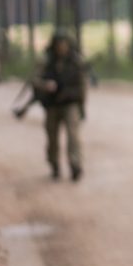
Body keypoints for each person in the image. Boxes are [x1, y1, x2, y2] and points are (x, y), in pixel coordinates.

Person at [33, 31, 87, 181]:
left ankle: (75, 165)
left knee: (73, 136)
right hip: (53, 104)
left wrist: (82, 106)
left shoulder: (76, 62)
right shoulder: (46, 61)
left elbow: (82, 86)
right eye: (59, 44)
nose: (62, 47)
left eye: (64, 44)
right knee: (52, 137)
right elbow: (35, 80)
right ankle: (54, 164)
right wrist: (45, 85)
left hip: (70, 103)